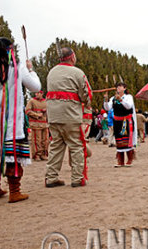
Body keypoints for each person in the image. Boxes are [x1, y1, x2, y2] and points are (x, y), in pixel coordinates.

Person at [0, 37, 41, 202]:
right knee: (13, 153)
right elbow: (36, 87)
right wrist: (31, 70)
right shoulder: (17, 66)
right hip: (12, 120)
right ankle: (14, 191)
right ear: (11, 49)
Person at [45, 46, 92, 188]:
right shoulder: (77, 72)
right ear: (72, 57)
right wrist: (86, 102)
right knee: (76, 146)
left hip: (53, 116)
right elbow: (86, 94)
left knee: (56, 146)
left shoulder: (51, 72)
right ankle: (77, 178)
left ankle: (51, 177)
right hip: (70, 115)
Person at [104, 82, 137, 167]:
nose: (118, 88)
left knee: (126, 140)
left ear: (124, 88)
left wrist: (121, 100)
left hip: (126, 121)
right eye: (117, 87)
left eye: (120, 86)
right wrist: (106, 100)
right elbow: (107, 108)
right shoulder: (113, 98)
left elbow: (129, 106)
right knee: (119, 140)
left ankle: (130, 159)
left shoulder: (128, 97)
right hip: (117, 122)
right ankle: (120, 160)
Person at [25, 90, 48, 161]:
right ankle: (36, 155)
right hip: (35, 123)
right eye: (36, 93)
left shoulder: (46, 101)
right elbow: (27, 111)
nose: (36, 94)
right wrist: (37, 115)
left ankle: (43, 154)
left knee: (45, 140)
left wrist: (46, 110)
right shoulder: (31, 101)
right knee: (36, 140)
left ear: (42, 93)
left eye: (38, 93)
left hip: (45, 123)